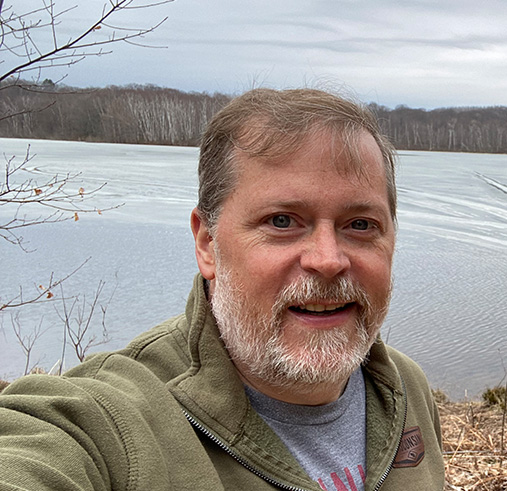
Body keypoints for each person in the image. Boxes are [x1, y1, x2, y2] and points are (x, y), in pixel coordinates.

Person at [0, 88, 445, 490]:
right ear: (207, 243)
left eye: (360, 225)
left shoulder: (404, 387)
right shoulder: (110, 420)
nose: (328, 260)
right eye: (282, 221)